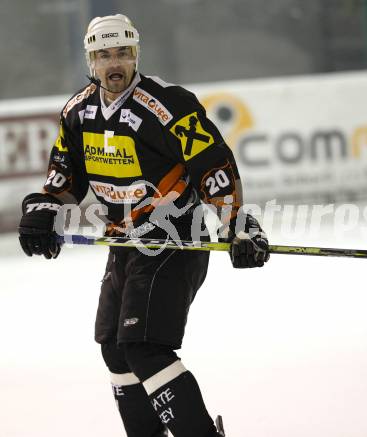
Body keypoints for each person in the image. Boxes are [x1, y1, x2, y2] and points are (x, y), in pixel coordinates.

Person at [18, 14, 269, 437]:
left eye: (121, 53)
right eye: (103, 55)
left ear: (136, 55)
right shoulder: (76, 113)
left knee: (144, 347)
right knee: (115, 349)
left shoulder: (171, 105)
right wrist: (44, 208)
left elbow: (213, 169)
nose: (113, 64)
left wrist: (236, 224)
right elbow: (65, 179)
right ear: (90, 60)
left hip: (175, 241)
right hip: (124, 244)